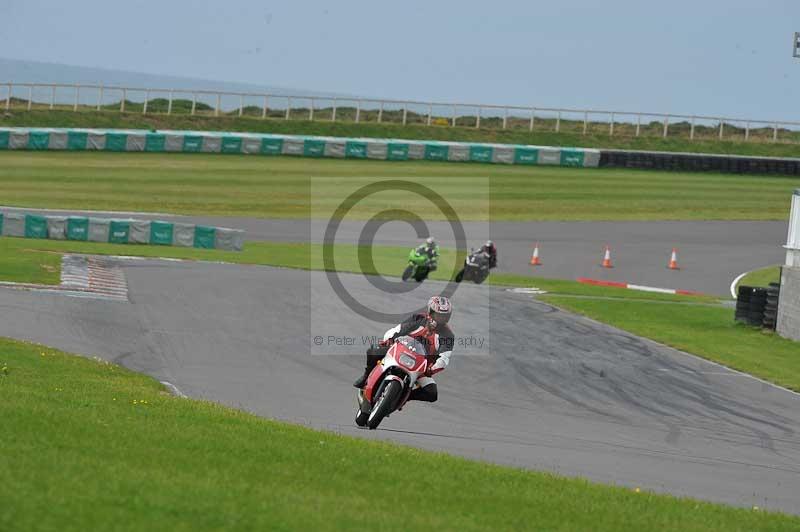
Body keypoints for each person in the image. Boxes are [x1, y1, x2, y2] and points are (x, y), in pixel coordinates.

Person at [353, 296, 454, 403]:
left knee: (432, 393)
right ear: (430, 312)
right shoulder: (418, 318)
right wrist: (389, 339)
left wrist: (431, 369)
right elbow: (399, 329)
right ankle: (365, 376)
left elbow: (444, 357)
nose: (441, 319)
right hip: (399, 351)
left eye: (444, 316)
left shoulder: (448, 335)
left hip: (421, 368)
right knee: (373, 351)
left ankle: (403, 398)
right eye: (438, 315)